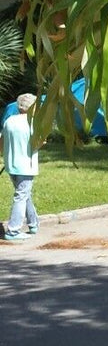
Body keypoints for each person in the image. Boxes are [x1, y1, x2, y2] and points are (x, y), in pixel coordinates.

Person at [2, 93, 39, 240]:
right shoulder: (33, 123)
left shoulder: (9, 121)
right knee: (21, 195)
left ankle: (33, 223)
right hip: (26, 165)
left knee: (24, 194)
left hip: (11, 164)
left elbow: (2, 142)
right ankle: (13, 230)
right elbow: (39, 143)